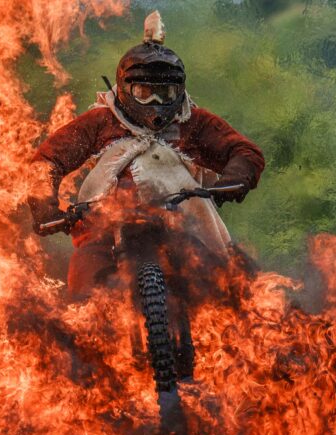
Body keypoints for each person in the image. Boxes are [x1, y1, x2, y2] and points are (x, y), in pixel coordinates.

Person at [27, 11, 265, 299]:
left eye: (165, 94)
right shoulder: (101, 121)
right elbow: (48, 160)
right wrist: (45, 207)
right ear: (125, 88)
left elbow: (243, 151)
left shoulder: (192, 121)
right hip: (106, 226)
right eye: (144, 92)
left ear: (180, 92)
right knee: (83, 292)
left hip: (181, 222)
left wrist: (235, 178)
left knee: (234, 288)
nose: (156, 103)